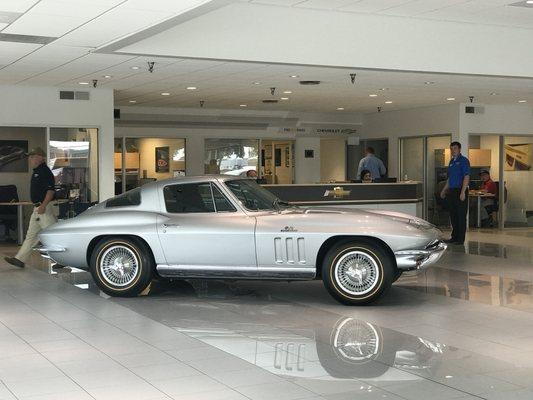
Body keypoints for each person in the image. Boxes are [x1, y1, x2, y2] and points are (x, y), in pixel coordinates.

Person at [4, 147, 57, 268]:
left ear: (40, 157)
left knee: (52, 235)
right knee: (31, 236)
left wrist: (43, 206)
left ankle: (62, 260)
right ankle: (20, 259)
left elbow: (50, 191)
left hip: (44, 208)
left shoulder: (45, 172)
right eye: (30, 157)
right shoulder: (37, 171)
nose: (30, 159)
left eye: (33, 157)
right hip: (37, 208)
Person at [440, 141, 470, 245]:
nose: (453, 151)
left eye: (455, 148)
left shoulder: (464, 161)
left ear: (459, 149)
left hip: (460, 189)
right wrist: (444, 190)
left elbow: (466, 176)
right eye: (451, 149)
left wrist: (463, 192)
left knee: (461, 215)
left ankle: (460, 239)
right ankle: (454, 237)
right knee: (453, 215)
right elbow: (450, 178)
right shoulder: (451, 162)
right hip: (452, 191)